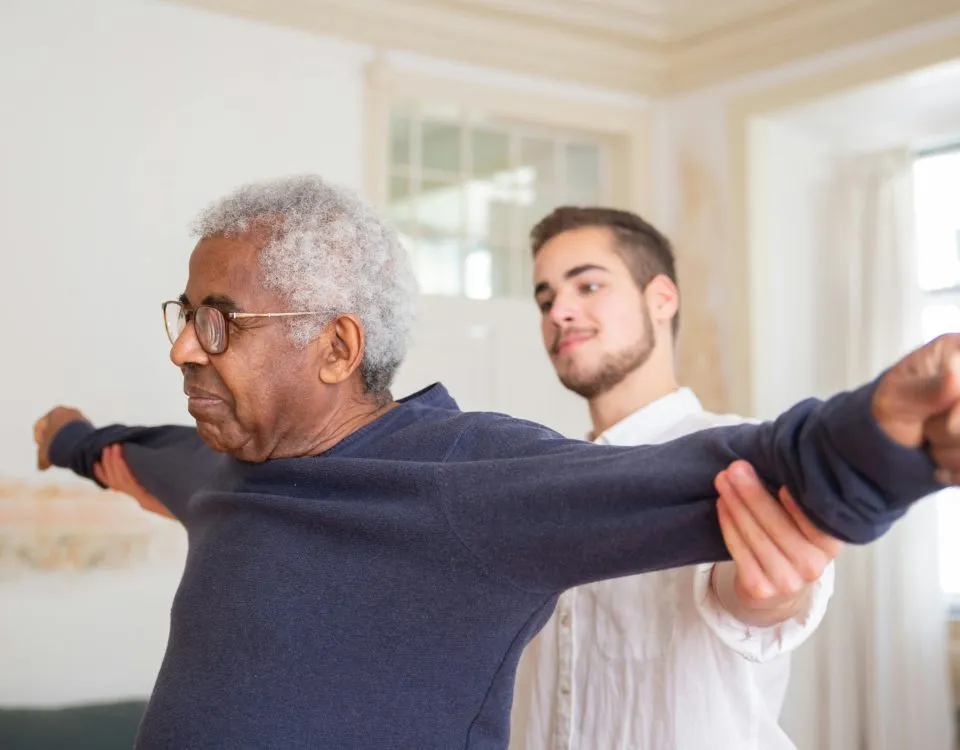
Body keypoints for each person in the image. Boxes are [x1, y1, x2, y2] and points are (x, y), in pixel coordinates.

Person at [31, 174, 960, 750]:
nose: (184, 350)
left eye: (216, 322)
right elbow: (136, 457)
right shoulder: (217, 472)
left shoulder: (466, 479)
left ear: (335, 347)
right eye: (184, 316)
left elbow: (723, 471)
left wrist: (891, 433)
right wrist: (68, 439)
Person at [512, 207, 843, 749]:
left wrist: (770, 593)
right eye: (545, 300)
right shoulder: (540, 482)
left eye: (588, 285)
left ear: (661, 298)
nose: (559, 312)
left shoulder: (742, 455)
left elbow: (758, 602)